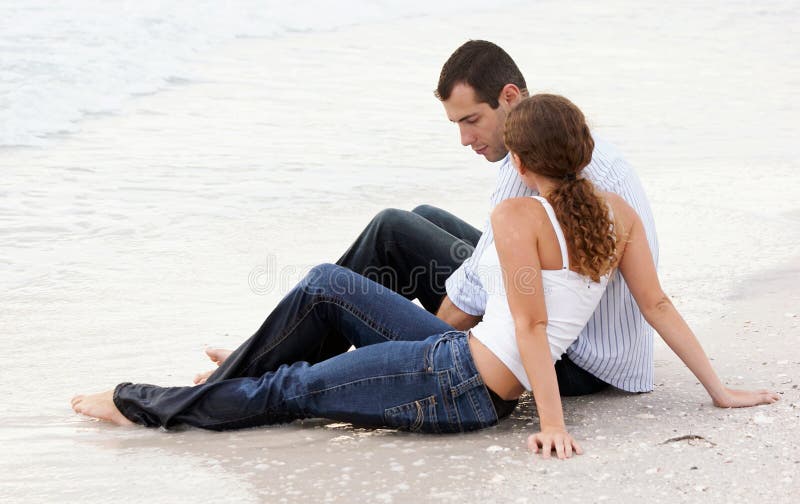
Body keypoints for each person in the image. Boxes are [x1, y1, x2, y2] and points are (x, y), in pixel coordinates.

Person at [72, 94, 779, 459]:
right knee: (326, 282)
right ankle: (236, 364)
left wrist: (553, 426)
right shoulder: (614, 212)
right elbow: (657, 304)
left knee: (292, 390)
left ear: (522, 163)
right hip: (456, 358)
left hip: (458, 384)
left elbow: (532, 325)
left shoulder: (518, 215)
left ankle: (138, 403)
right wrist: (718, 390)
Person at [196, 40, 659, 403]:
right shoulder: (567, 138)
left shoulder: (526, 170)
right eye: (457, 124)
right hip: (601, 345)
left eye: (471, 120)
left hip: (569, 362)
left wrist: (410, 349)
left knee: (392, 232)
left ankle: (261, 360)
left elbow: (470, 298)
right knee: (422, 219)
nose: (464, 138)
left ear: (509, 97)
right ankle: (278, 349)